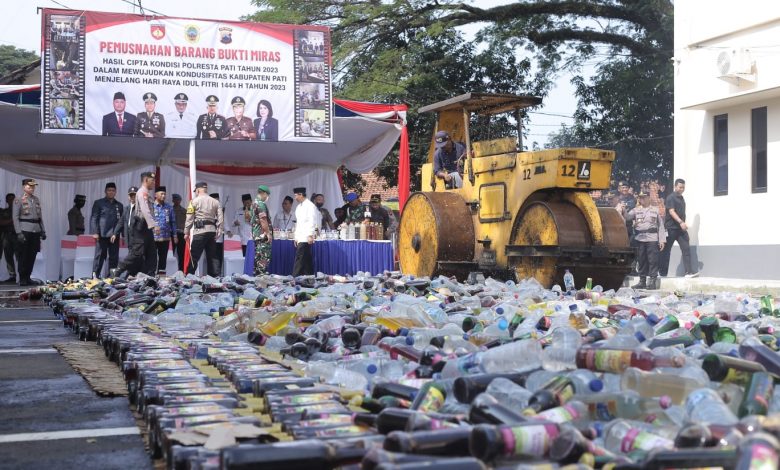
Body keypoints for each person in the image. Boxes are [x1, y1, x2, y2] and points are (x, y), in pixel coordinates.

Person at [617, 191, 666, 290]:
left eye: (643, 197)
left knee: (653, 260)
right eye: (640, 198)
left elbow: (661, 226)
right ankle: (642, 281)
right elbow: (627, 217)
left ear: (649, 198)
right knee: (641, 260)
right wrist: (623, 210)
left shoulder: (655, 210)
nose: (641, 199)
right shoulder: (636, 210)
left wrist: (662, 240)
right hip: (640, 238)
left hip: (652, 238)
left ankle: (652, 281)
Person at [116, 172, 158, 278]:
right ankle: (118, 269)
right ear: (145, 180)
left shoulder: (146, 193)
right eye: (152, 180)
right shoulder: (142, 192)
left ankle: (151, 275)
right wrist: (153, 225)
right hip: (141, 227)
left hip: (147, 228)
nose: (154, 182)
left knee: (152, 253)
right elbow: (145, 210)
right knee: (136, 253)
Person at [659, 178, 699, 278]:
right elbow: (671, 211)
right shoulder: (670, 197)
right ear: (675, 186)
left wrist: (682, 224)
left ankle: (688, 273)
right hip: (671, 228)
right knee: (666, 251)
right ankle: (662, 274)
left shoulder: (681, 198)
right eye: (680, 187)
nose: (682, 189)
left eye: (683, 187)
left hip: (680, 230)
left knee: (686, 249)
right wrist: (681, 222)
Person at [184, 182, 223, 276]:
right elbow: (220, 217)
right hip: (211, 230)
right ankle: (215, 277)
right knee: (212, 256)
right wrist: (219, 230)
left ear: (198, 190)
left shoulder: (194, 201)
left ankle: (190, 276)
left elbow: (189, 218)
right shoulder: (215, 202)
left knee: (194, 255)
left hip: (200, 231)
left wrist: (186, 232)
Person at [13, 178, 46, 286]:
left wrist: (43, 230)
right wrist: (18, 232)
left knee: (32, 255)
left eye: (33, 186)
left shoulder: (36, 199)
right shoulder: (18, 200)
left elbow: (40, 217)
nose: (32, 188)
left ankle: (28, 277)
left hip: (35, 230)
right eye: (29, 186)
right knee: (23, 255)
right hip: (24, 230)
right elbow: (15, 217)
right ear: (24, 187)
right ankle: (22, 278)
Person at [89, 182, 123, 277]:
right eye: (109, 190)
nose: (111, 192)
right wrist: (95, 232)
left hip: (114, 236)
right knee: (99, 257)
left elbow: (121, 221)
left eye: (113, 190)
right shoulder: (99, 203)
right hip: (101, 235)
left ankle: (111, 278)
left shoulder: (119, 205)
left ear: (115, 192)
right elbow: (94, 218)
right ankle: (94, 278)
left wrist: (122, 234)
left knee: (113, 258)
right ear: (105, 191)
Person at [292, 187, 318, 276]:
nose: (295, 198)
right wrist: (296, 237)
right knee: (306, 259)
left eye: (296, 195)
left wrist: (310, 235)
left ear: (301, 194)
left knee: (300, 257)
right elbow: (298, 223)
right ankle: (309, 276)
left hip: (306, 236)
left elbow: (312, 221)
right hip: (300, 236)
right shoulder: (298, 207)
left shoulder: (310, 206)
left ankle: (295, 277)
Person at [152, 186, 176, 275]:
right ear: (156, 195)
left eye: (164, 194)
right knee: (152, 257)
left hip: (165, 237)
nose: (163, 195)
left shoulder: (168, 207)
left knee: (163, 258)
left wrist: (175, 235)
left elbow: (173, 221)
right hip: (153, 237)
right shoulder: (151, 206)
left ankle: (161, 276)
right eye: (161, 193)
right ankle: (151, 276)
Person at [250, 185, 273, 275]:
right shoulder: (260, 204)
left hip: (257, 235)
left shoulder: (254, 203)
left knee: (258, 258)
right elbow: (263, 219)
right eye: (267, 195)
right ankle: (261, 282)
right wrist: (268, 233)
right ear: (263, 193)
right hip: (262, 235)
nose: (267, 197)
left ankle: (257, 280)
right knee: (263, 259)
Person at [0, 193, 16, 282]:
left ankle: (23, 275)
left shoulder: (19, 211)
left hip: (17, 235)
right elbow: (2, 222)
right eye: (9, 199)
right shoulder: (3, 211)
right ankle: (12, 276)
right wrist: (13, 220)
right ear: (6, 201)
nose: (12, 201)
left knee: (20, 256)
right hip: (7, 236)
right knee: (8, 256)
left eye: (13, 199)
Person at [210, 193, 225, 275]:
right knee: (212, 257)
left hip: (219, 239)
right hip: (210, 238)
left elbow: (224, 223)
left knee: (219, 257)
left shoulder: (221, 210)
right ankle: (213, 274)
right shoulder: (208, 210)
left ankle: (218, 274)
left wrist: (228, 231)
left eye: (218, 200)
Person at [171, 194, 186, 271]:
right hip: (172, 234)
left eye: (178, 199)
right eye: (175, 199)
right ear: (173, 200)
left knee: (181, 254)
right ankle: (170, 269)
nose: (177, 201)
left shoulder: (184, 211)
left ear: (180, 200)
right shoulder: (170, 210)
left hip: (181, 233)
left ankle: (181, 270)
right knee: (171, 253)